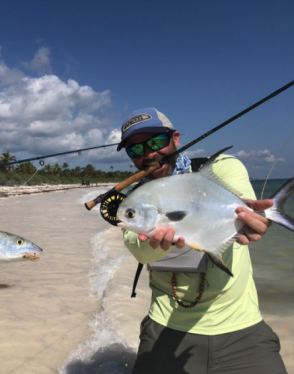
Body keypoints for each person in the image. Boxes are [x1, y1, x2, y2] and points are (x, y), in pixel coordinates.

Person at [117, 108, 287, 374]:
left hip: (241, 327)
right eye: (135, 149)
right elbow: (140, 252)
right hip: (165, 326)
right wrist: (155, 242)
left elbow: (243, 210)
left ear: (175, 139)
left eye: (156, 142)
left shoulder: (222, 167)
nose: (148, 153)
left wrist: (252, 222)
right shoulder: (138, 198)